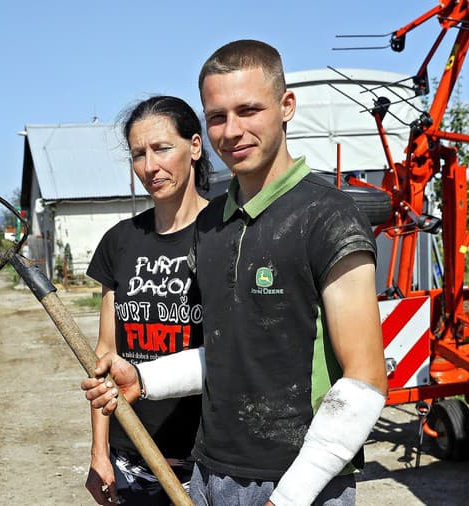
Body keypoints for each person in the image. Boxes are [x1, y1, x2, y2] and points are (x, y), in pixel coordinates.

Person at [83, 40, 388, 506]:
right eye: (218, 116)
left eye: (249, 110)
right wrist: (146, 382)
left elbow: (364, 380)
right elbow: (227, 354)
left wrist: (290, 497)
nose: (233, 131)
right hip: (210, 475)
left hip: (299, 482)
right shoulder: (213, 225)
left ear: (286, 106)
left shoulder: (328, 216)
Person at [84, 95, 212, 505]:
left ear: (194, 146)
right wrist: (99, 452)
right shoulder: (120, 242)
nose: (150, 166)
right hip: (131, 459)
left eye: (162, 148)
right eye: (139, 154)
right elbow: (105, 356)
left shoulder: (225, 233)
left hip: (206, 465)